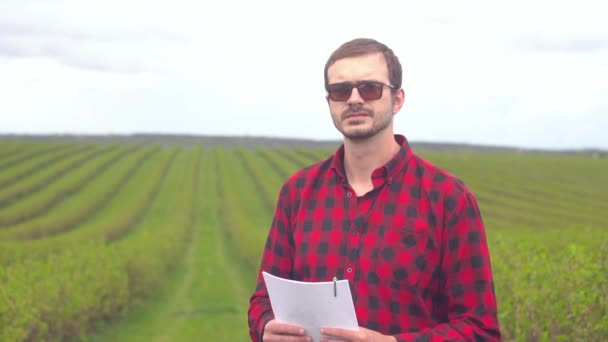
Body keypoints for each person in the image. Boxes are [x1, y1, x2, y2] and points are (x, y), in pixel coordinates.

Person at [248, 38, 501, 342]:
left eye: (370, 88)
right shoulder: (298, 193)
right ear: (330, 102)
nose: (354, 99)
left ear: (397, 99)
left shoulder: (449, 199)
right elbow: (263, 301)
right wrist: (265, 328)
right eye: (341, 91)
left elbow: (480, 329)